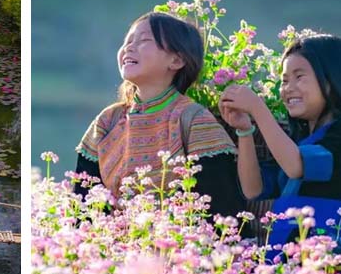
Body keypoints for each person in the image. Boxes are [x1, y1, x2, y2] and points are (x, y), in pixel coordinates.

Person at [75, 12, 244, 220]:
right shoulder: (108, 121)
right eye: (127, 41)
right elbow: (83, 204)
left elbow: (219, 208)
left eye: (144, 40)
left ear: (176, 60)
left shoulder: (195, 120)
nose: (129, 47)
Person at [219, 34, 341, 256]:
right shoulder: (296, 142)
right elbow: (254, 189)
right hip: (287, 257)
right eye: (284, 80)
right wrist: (244, 130)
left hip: (331, 256)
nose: (288, 88)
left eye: (299, 76)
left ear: (331, 80)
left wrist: (258, 109)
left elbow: (296, 165)